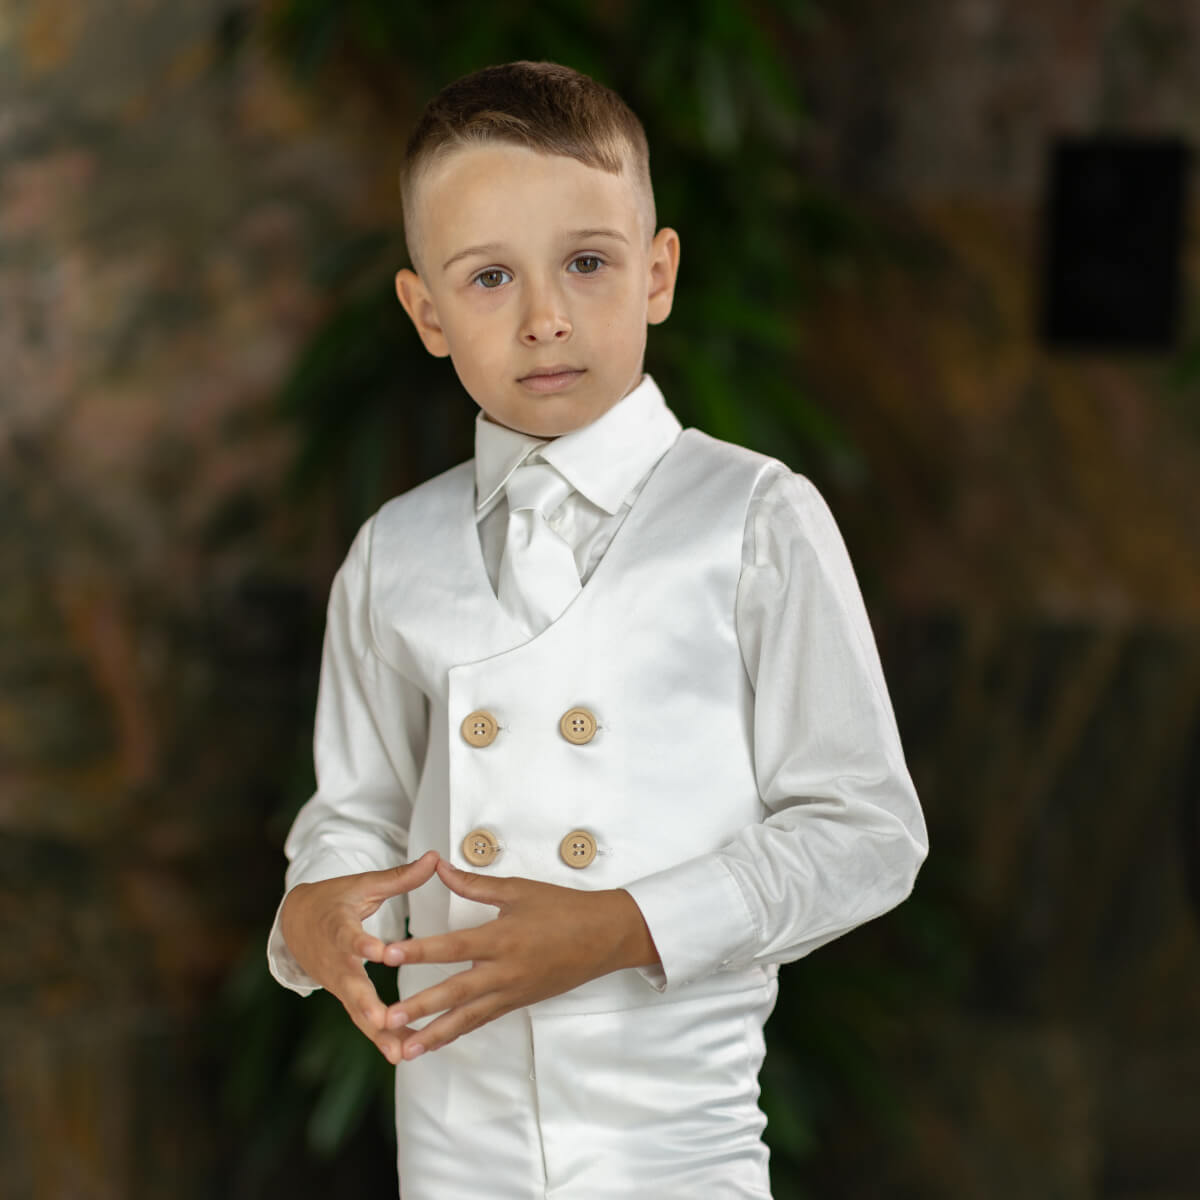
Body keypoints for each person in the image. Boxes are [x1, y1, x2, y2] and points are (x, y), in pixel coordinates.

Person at [267, 60, 928, 1199]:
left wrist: (625, 926)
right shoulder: (393, 553)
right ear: (426, 312)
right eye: (487, 279)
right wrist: (316, 913)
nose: (545, 318)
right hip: (450, 1145)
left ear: (658, 272)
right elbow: (354, 810)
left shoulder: (756, 520)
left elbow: (867, 831)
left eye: (586, 261)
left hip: (674, 1146)